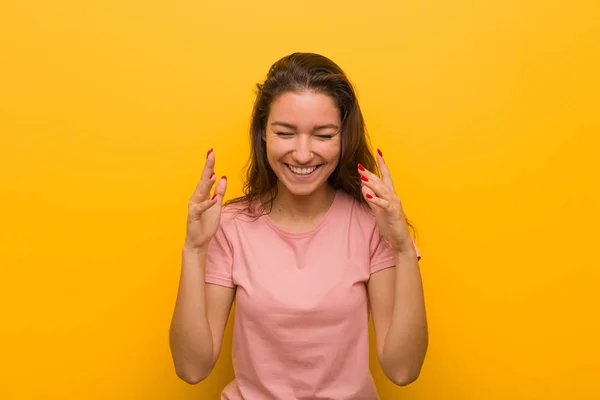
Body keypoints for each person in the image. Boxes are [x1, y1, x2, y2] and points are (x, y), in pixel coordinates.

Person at [169, 52, 428, 399]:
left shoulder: (371, 223)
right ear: (263, 134)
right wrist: (194, 249)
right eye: (285, 133)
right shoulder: (230, 226)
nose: (303, 154)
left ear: (343, 137)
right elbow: (191, 367)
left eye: (323, 135)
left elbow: (403, 370)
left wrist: (401, 248)